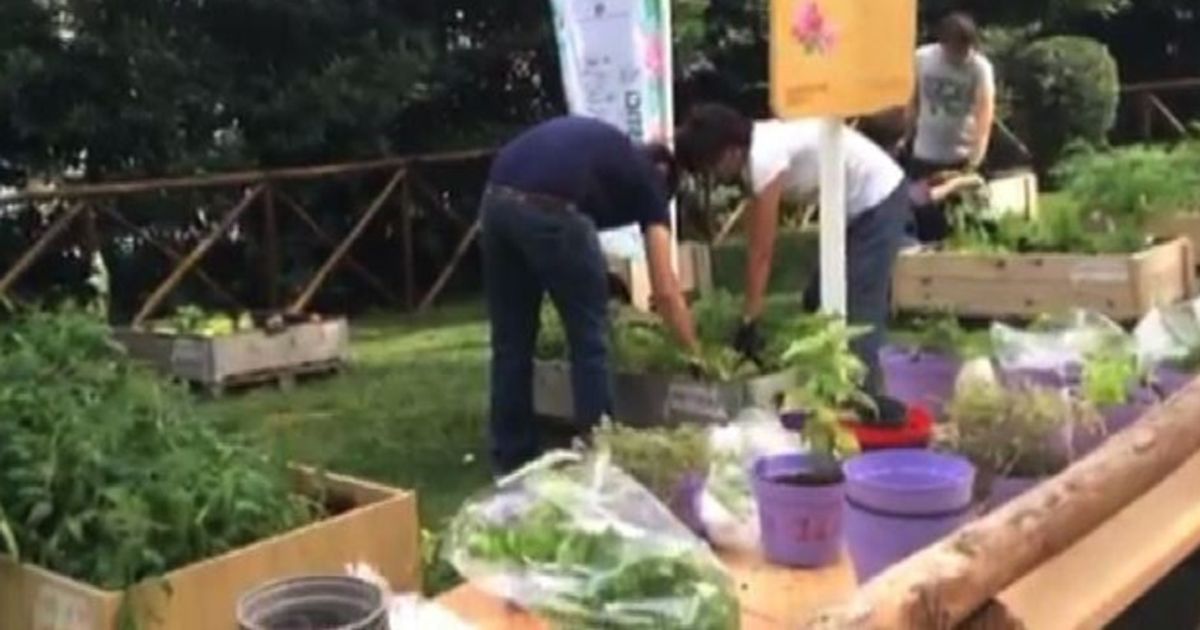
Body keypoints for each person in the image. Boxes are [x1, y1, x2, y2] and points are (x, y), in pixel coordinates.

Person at [481, 116, 700, 474]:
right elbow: (666, 289)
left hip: (495, 199)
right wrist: (694, 354)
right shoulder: (651, 183)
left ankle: (511, 457)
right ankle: (599, 457)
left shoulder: (612, 153)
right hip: (551, 208)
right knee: (589, 339)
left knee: (511, 342)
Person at [675, 104, 909, 415]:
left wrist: (750, 319)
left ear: (730, 152)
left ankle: (871, 405)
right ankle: (828, 381)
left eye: (711, 167)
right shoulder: (756, 151)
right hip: (850, 211)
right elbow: (753, 232)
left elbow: (761, 251)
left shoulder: (763, 158)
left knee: (859, 308)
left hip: (878, 198)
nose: (714, 177)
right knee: (817, 299)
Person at [909, 12, 996, 179]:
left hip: (960, 156)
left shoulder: (979, 68)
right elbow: (912, 100)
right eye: (956, 48)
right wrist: (907, 134)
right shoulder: (922, 58)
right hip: (925, 152)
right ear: (944, 43)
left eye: (966, 48)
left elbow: (984, 113)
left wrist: (977, 156)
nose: (961, 54)